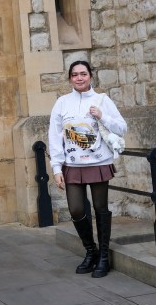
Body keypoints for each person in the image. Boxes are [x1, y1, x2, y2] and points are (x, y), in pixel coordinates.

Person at [48, 60, 127, 278]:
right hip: (72, 165)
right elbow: (54, 138)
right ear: (70, 78)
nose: (79, 78)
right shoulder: (62, 103)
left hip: (99, 163)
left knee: (101, 209)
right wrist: (56, 168)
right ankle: (90, 251)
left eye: (83, 74)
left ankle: (103, 257)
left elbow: (122, 127)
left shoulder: (102, 100)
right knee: (76, 210)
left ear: (90, 76)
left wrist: (102, 116)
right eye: (75, 75)